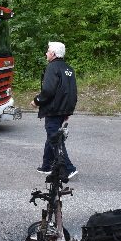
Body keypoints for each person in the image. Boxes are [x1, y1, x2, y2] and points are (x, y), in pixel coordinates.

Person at [30, 41, 78, 179]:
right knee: (52, 136)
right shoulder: (68, 69)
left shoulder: (52, 67)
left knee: (54, 138)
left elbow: (48, 90)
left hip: (53, 109)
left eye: (48, 51)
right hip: (63, 109)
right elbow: (72, 92)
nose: (46, 53)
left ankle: (68, 168)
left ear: (53, 54)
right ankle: (47, 166)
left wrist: (37, 101)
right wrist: (67, 111)